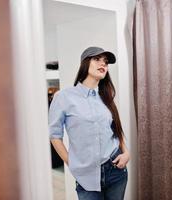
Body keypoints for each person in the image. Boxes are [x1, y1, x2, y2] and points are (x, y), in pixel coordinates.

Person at [48, 46, 130, 200]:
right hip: (86, 177)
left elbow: (115, 129)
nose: (103, 64)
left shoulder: (106, 97)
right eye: (97, 59)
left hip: (116, 171)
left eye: (105, 62)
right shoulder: (63, 97)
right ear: (85, 63)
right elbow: (54, 135)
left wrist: (126, 153)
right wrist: (71, 164)